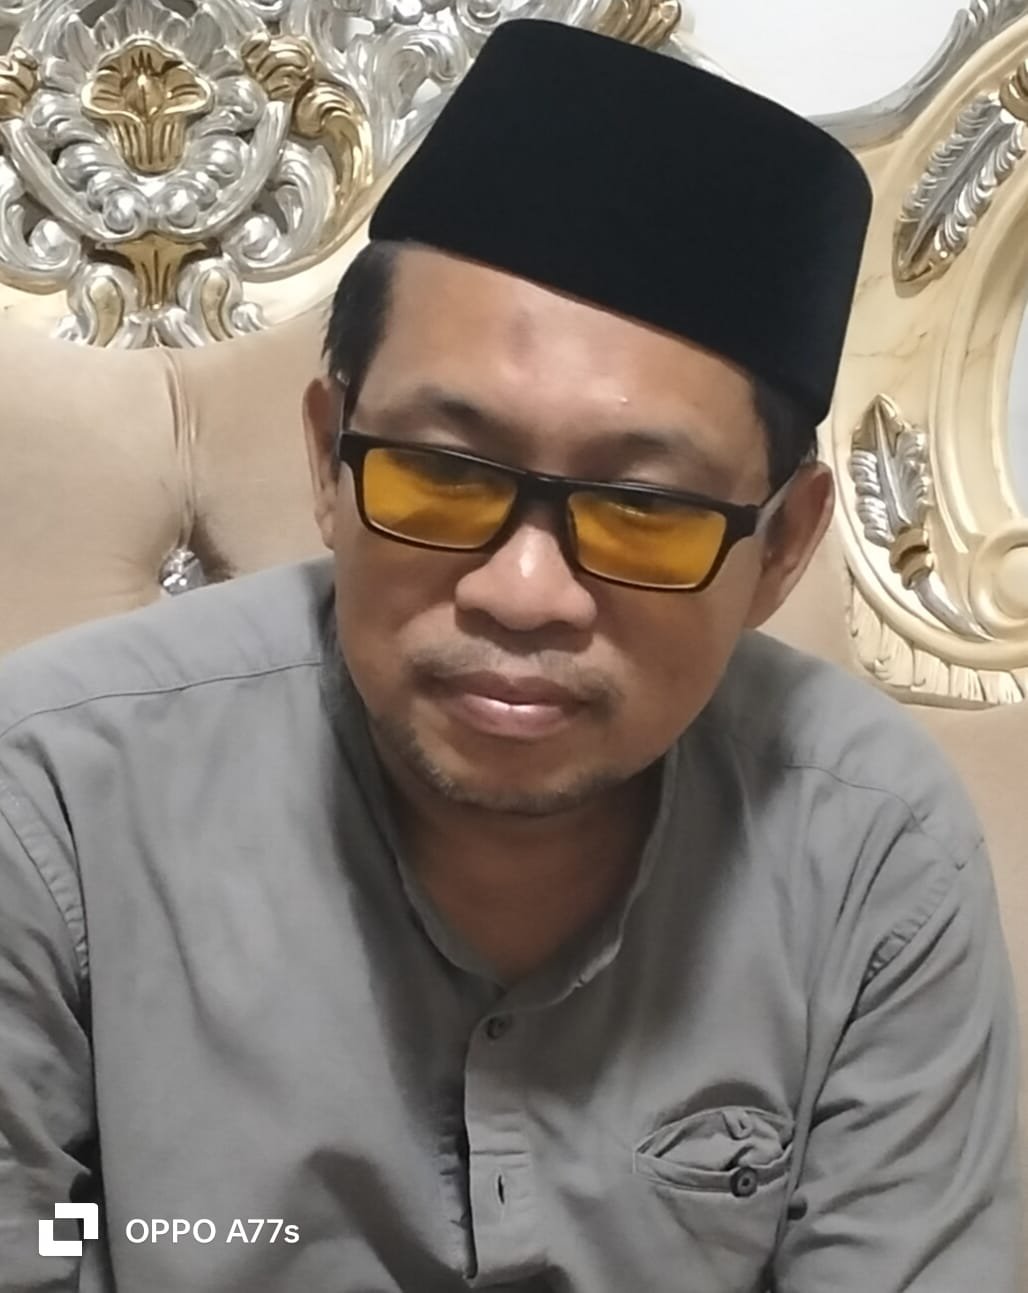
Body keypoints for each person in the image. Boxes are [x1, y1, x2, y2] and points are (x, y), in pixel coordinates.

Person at [0, 18, 1018, 1293]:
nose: (522, 593)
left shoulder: (871, 851)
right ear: (326, 461)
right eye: (440, 474)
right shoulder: (50, 802)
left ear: (783, 548)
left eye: (642, 508)